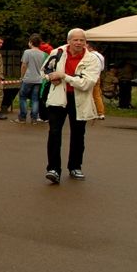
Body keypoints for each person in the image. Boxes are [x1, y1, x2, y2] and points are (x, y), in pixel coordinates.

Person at [43, 28, 102, 184]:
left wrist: (63, 76)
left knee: (78, 133)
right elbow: (45, 69)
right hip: (58, 98)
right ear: (68, 40)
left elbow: (86, 83)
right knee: (54, 132)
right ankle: (53, 169)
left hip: (79, 99)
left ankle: (75, 166)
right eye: (75, 40)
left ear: (85, 42)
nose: (78, 43)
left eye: (82, 40)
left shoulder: (92, 59)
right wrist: (51, 77)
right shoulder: (58, 52)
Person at [14, 34, 46, 124]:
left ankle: (22, 117)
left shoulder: (27, 52)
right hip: (38, 79)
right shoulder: (42, 54)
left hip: (28, 78)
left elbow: (24, 65)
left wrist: (22, 76)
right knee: (35, 99)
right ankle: (34, 118)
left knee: (23, 97)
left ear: (31, 42)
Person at [86, 43, 106, 119]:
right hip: (98, 75)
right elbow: (102, 68)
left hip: (91, 75)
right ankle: (100, 112)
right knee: (97, 95)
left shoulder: (90, 56)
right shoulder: (100, 56)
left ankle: (92, 112)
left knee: (89, 95)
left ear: (90, 48)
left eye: (86, 47)